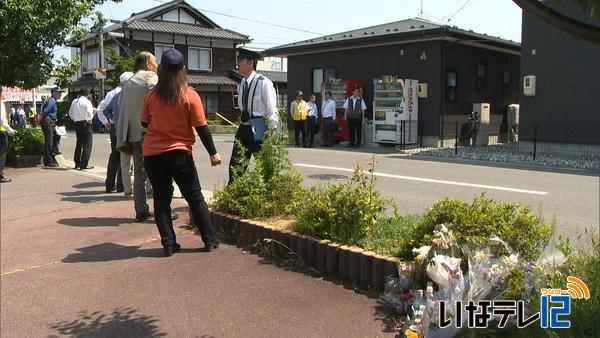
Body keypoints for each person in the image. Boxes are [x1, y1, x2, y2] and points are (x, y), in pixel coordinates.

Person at [141, 48, 221, 256]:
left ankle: (168, 244)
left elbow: (144, 122)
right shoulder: (189, 95)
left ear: (161, 70)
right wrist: (213, 153)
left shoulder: (151, 96)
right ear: (183, 69)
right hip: (179, 153)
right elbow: (202, 127)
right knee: (194, 197)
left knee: (161, 199)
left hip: (152, 154)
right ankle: (209, 240)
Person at [117, 51, 177, 222]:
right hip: (151, 133)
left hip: (133, 133)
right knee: (161, 172)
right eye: (155, 61)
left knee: (139, 174)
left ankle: (141, 209)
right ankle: (163, 211)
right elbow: (161, 101)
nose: (157, 65)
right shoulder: (151, 77)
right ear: (148, 63)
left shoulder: (129, 82)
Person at [228, 48, 279, 185]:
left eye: (240, 61)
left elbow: (271, 109)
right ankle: (233, 195)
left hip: (260, 127)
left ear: (250, 63)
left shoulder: (264, 83)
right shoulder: (242, 84)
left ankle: (269, 195)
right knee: (236, 165)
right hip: (243, 127)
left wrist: (272, 130)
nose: (237, 64)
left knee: (264, 167)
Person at [97, 71, 134, 193]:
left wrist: (110, 121)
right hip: (128, 130)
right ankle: (122, 186)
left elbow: (102, 109)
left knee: (116, 157)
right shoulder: (130, 95)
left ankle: (111, 184)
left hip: (115, 129)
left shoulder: (113, 94)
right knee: (128, 159)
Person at [68, 88, 95, 170]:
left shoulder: (74, 101)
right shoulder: (87, 102)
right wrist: (91, 116)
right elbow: (90, 113)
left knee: (79, 143)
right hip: (85, 123)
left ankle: (77, 163)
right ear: (88, 94)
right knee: (87, 144)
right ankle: (84, 163)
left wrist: (75, 118)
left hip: (77, 123)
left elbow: (70, 113)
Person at [40, 86, 64, 167]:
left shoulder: (52, 100)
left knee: (57, 134)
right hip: (48, 120)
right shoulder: (52, 100)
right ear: (53, 93)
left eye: (60, 92)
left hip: (50, 120)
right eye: (58, 92)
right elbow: (47, 109)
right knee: (49, 140)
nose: (60, 94)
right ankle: (48, 160)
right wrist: (41, 116)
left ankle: (54, 151)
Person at [0, 85, 17, 183]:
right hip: (1, 132)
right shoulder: (0, 104)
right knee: (2, 153)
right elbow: (2, 119)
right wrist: (10, 130)